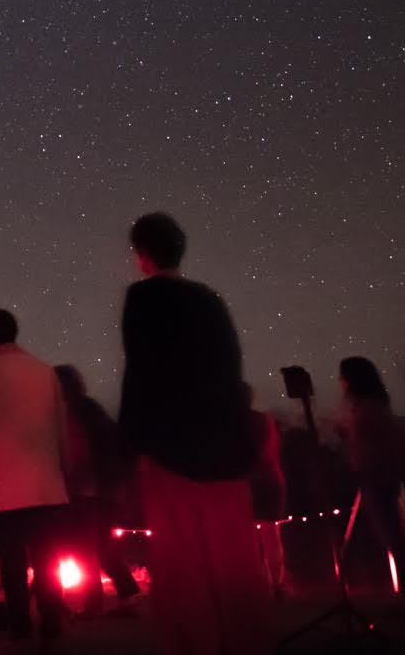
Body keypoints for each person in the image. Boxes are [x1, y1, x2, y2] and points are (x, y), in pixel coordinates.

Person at [119, 212, 268, 655]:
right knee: (233, 562)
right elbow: (231, 369)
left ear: (142, 255)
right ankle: (246, 641)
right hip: (226, 448)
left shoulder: (143, 299)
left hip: (174, 450)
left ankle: (194, 643)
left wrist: (135, 441)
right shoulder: (210, 300)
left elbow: (142, 371)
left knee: (182, 563)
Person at [0, 309, 69, 644]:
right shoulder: (45, 372)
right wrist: (62, 468)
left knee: (11, 558)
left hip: (4, 485)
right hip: (46, 483)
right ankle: (52, 623)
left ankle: (20, 625)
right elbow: (60, 429)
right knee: (47, 556)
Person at [55, 364, 141, 615]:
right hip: (109, 489)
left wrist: (72, 483)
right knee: (103, 545)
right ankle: (128, 594)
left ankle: (93, 604)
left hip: (88, 490)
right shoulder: (93, 408)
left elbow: (78, 450)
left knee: (83, 546)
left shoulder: (73, 411)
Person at [337, 357, 405, 598]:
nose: (339, 382)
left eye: (342, 376)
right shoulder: (368, 405)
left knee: (393, 535)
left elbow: (385, 440)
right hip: (373, 471)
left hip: (378, 473)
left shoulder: (370, 407)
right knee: (390, 534)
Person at [245, 385, 287, 599]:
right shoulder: (265, 421)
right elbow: (273, 449)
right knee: (271, 534)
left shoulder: (237, 423)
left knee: (251, 536)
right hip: (271, 481)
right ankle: (275, 583)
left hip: (253, 482)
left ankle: (263, 583)